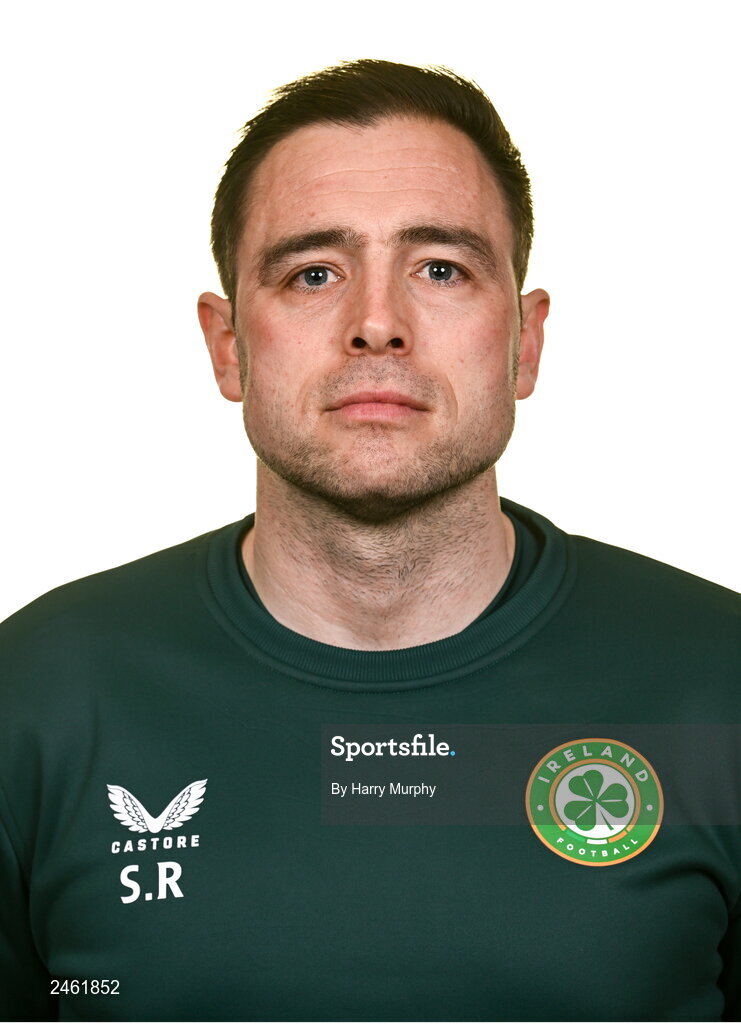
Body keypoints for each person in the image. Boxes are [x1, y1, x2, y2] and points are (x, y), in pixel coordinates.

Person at [0, 58, 738, 1023]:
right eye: (313, 273)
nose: (377, 324)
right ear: (228, 345)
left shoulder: (716, 678)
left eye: (440, 269)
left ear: (524, 343)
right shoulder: (39, 690)